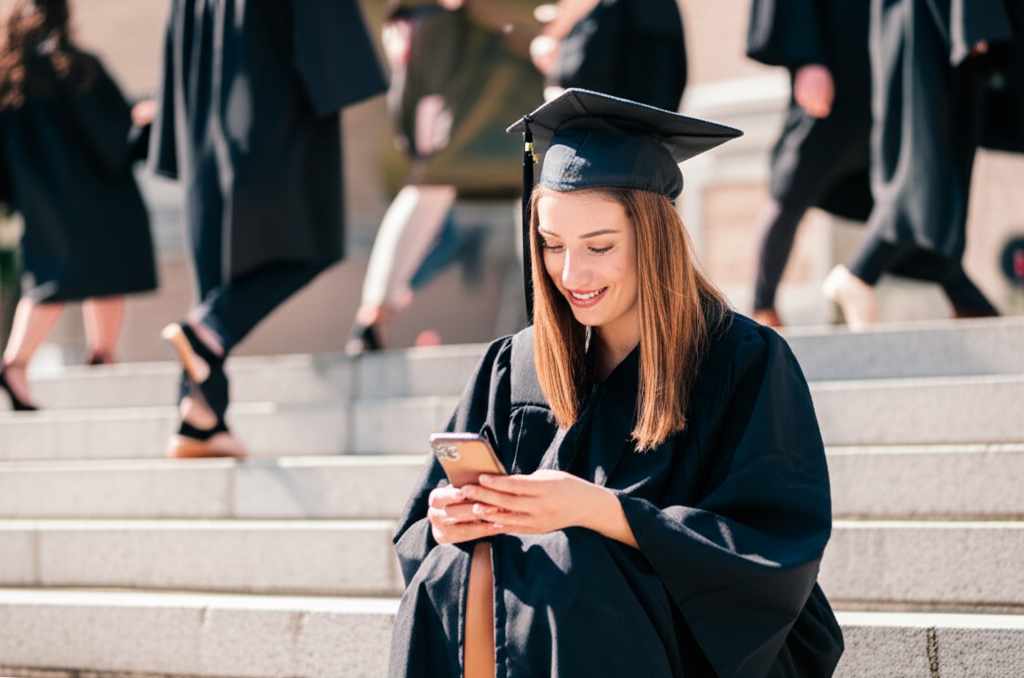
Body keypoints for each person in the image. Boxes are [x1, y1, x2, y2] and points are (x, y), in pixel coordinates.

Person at [389, 90, 844, 678]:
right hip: (537, 627)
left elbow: (769, 551)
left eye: (599, 246)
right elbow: (417, 539)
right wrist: (447, 521)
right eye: (552, 246)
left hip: (695, 646)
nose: (572, 274)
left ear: (654, 238)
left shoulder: (741, 361)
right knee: (450, 567)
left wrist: (601, 512)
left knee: (571, 558)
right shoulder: (516, 367)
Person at [149, 0, 386, 457]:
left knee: (217, 273)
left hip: (206, 136)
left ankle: (201, 416)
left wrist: (173, 135)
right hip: (274, 119)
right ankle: (209, 332)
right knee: (313, 244)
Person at [346, 0, 544, 354]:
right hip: (482, 64)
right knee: (529, 186)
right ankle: (373, 316)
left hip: (473, 59)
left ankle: (373, 315)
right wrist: (551, 20)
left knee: (437, 184)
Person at [822, 0, 1022, 329]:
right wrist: (970, 18)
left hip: (934, 25)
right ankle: (859, 272)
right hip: (928, 23)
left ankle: (970, 303)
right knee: (922, 168)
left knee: (943, 169)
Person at [0, 0, 157, 411]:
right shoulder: (77, 66)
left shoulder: (8, 78)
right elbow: (116, 134)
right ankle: (98, 353)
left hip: (43, 201)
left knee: (49, 279)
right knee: (105, 269)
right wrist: (140, 121)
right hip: (97, 195)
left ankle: (19, 364)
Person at [746, 0, 873, 328]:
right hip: (836, 68)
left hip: (881, 74)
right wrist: (808, 59)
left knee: (904, 194)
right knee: (790, 189)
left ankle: (962, 294)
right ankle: (763, 309)